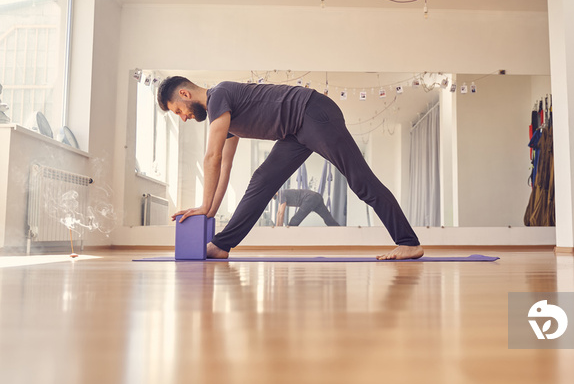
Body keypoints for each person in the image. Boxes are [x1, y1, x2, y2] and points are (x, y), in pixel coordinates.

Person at [158, 77, 423, 260]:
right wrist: (210, 211)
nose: (183, 117)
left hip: (312, 112)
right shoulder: (223, 116)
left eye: (178, 110)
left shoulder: (219, 96)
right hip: (294, 132)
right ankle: (221, 245)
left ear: (185, 94)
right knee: (262, 181)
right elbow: (224, 165)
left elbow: (211, 157)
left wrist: (203, 207)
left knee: (360, 180)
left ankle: (408, 243)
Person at [275, 189, 339, 227]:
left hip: (310, 198)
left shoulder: (281, 194)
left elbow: (281, 213)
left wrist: (280, 231)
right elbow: (278, 213)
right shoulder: (281, 196)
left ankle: (286, 239)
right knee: (329, 220)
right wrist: (277, 228)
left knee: (294, 221)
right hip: (316, 197)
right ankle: (340, 232)